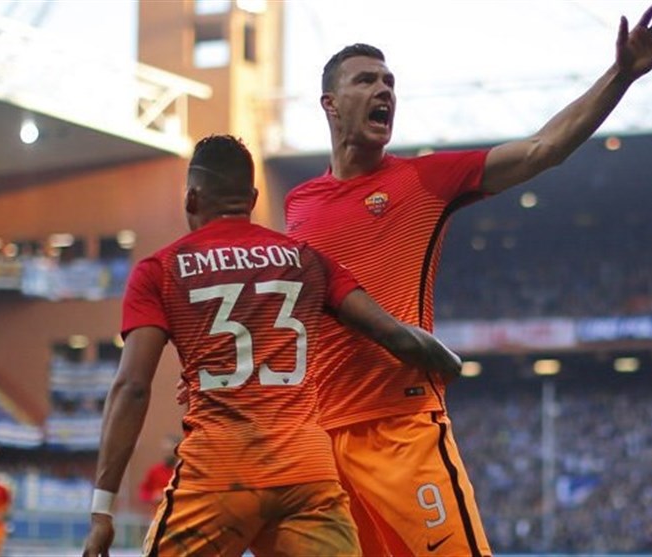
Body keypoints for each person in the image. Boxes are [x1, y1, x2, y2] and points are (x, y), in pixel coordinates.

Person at [281, 3, 652, 556]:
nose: (384, 90)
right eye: (366, 80)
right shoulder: (298, 204)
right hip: (321, 441)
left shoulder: (424, 179)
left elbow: (543, 149)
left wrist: (620, 75)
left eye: (390, 82)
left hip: (401, 428)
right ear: (330, 103)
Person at [82, 135, 465, 557]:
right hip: (306, 476)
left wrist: (102, 510)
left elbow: (132, 387)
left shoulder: (161, 269)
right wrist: (450, 361)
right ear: (252, 198)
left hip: (217, 476)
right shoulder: (308, 260)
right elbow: (393, 333)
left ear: (191, 199)